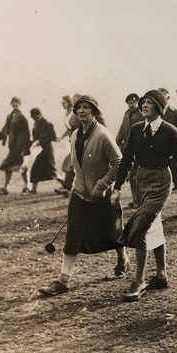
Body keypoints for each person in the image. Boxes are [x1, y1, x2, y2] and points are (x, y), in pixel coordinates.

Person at [38, 95, 129, 297]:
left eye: (86, 107)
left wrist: (103, 185)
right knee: (73, 235)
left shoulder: (103, 135)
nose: (81, 111)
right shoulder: (76, 134)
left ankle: (123, 260)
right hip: (79, 194)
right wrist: (74, 185)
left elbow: (118, 163)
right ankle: (63, 281)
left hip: (102, 195)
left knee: (113, 231)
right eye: (78, 108)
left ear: (94, 111)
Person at [111, 89, 177, 302]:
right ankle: (161, 274)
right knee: (153, 223)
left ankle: (139, 281)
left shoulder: (170, 131)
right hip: (141, 181)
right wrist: (117, 187)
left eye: (150, 103)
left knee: (140, 226)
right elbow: (127, 159)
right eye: (143, 102)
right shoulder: (137, 129)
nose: (144, 105)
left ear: (159, 107)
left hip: (161, 182)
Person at [0, 96, 31, 195]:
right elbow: (5, 129)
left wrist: (25, 147)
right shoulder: (10, 116)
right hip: (12, 145)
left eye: (17, 102)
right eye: (13, 102)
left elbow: (27, 132)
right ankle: (8, 187)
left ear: (20, 104)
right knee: (14, 166)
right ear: (11, 104)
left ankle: (25, 186)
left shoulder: (22, 117)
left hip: (20, 146)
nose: (15, 104)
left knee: (17, 166)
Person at [115, 93, 143, 208]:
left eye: (132, 103)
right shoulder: (126, 114)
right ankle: (135, 199)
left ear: (137, 102)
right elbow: (122, 131)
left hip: (139, 149)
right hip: (128, 149)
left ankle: (140, 200)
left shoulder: (142, 114)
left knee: (138, 175)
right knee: (131, 175)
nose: (130, 105)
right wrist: (115, 144)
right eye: (129, 103)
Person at [158, 88, 177, 190]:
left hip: (174, 147)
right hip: (160, 148)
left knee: (175, 171)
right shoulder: (156, 114)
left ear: (168, 97)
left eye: (163, 96)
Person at [55, 95, 81, 197]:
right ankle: (67, 187)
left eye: (64, 103)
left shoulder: (75, 112)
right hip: (72, 140)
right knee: (69, 163)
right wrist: (62, 137)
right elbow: (69, 128)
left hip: (78, 140)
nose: (62, 105)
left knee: (70, 163)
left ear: (69, 103)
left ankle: (67, 187)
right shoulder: (67, 113)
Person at [29, 108, 57, 193]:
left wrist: (40, 141)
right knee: (35, 169)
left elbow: (53, 136)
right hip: (39, 150)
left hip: (47, 150)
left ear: (41, 115)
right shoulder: (36, 124)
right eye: (34, 117)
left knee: (50, 169)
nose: (36, 119)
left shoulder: (47, 124)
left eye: (37, 117)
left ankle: (64, 183)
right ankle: (34, 189)